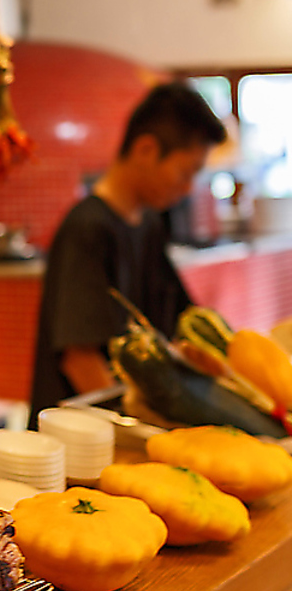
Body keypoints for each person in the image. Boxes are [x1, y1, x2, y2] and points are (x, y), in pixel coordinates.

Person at [29, 81, 227, 424]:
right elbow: (81, 361)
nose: (187, 188)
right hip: (78, 444)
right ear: (146, 150)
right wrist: (138, 429)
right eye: (186, 172)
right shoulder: (87, 228)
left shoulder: (148, 224)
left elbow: (181, 324)